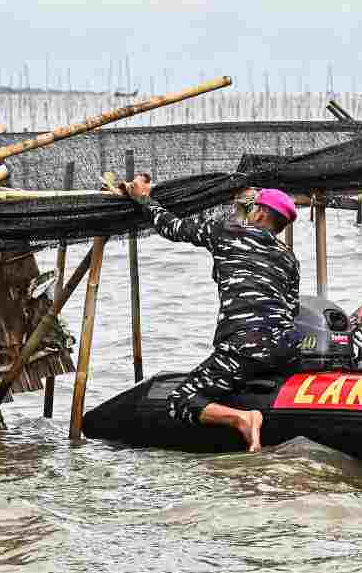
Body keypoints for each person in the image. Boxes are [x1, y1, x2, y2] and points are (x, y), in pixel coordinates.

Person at [125, 177, 301, 452]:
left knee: (181, 401)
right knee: (244, 373)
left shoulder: (227, 232)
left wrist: (143, 198)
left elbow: (173, 228)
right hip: (285, 350)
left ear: (261, 213)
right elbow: (293, 309)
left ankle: (243, 418)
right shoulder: (289, 257)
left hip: (243, 347)